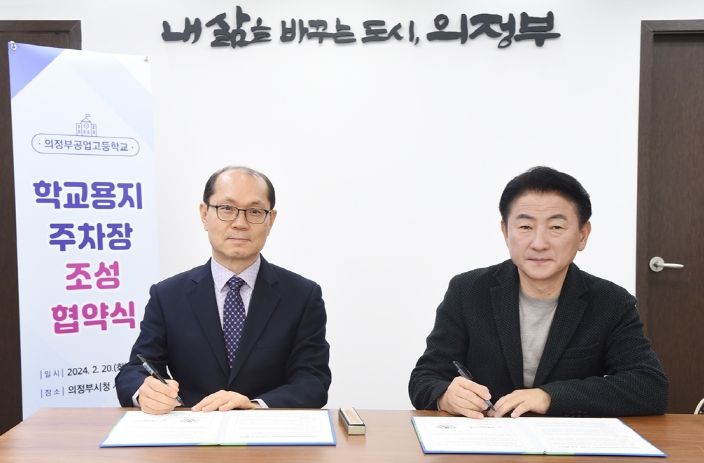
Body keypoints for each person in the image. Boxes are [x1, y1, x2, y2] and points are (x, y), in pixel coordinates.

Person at [409, 166, 668, 418]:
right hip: (488, 438)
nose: (539, 243)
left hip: (570, 442)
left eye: (556, 227)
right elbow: (425, 377)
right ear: (505, 231)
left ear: (582, 235)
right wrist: (445, 395)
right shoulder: (467, 291)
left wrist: (550, 397)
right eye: (525, 227)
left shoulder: (611, 302)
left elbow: (649, 387)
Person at [116, 166, 331, 414]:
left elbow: (313, 382)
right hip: (191, 429)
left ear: (270, 220)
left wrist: (254, 405)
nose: (240, 223)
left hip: (268, 432)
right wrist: (146, 391)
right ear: (204, 214)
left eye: (254, 211)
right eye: (227, 209)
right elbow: (135, 369)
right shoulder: (167, 296)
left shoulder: (303, 296)